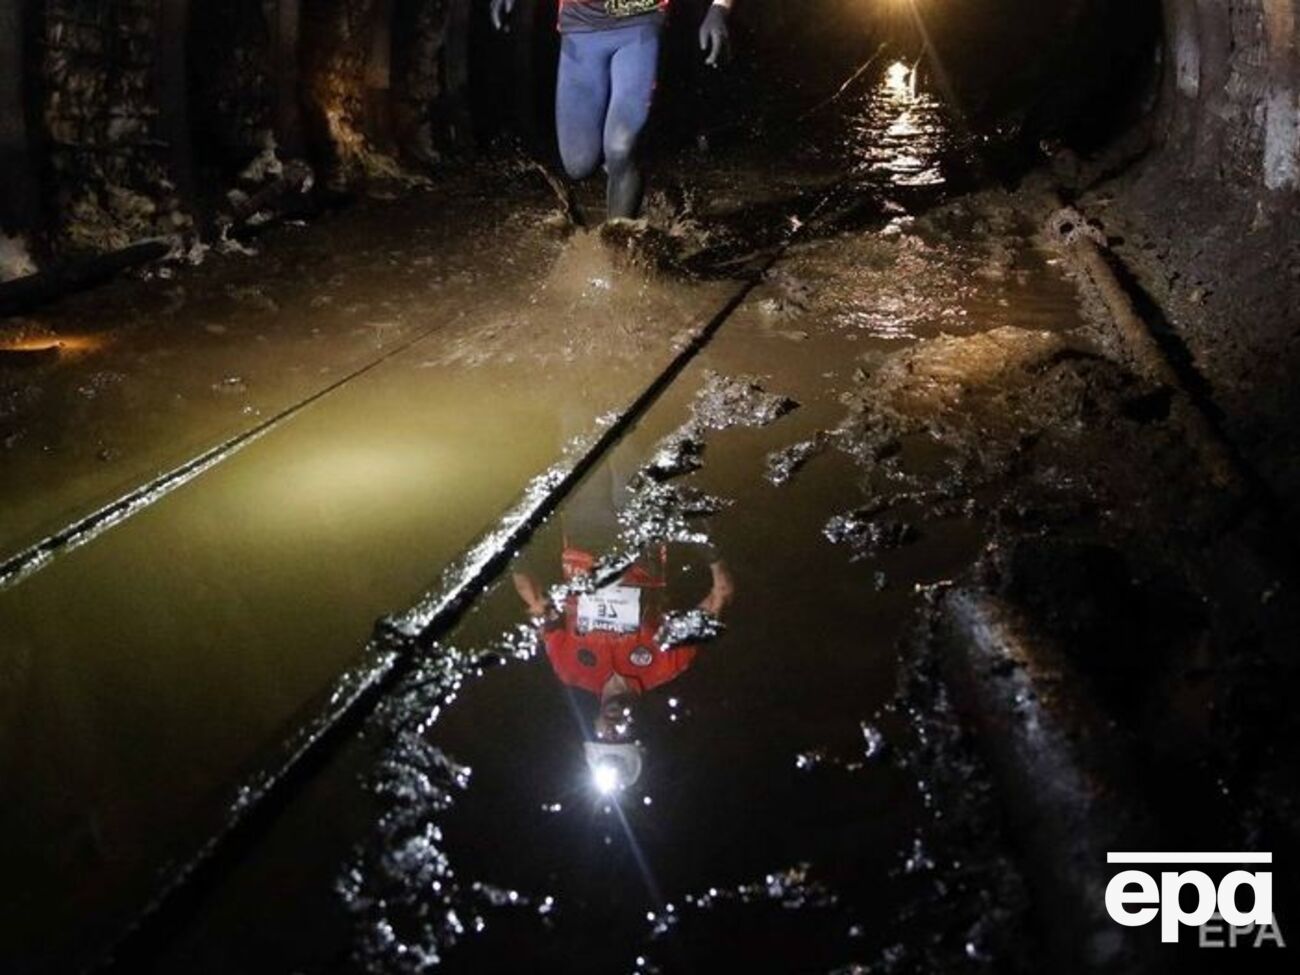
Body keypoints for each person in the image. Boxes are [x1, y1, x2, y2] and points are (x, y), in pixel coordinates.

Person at [491, 0, 735, 220]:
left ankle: (617, 251)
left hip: (640, 23)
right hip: (581, 28)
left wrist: (719, 8)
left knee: (620, 146)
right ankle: (632, 166)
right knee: (578, 164)